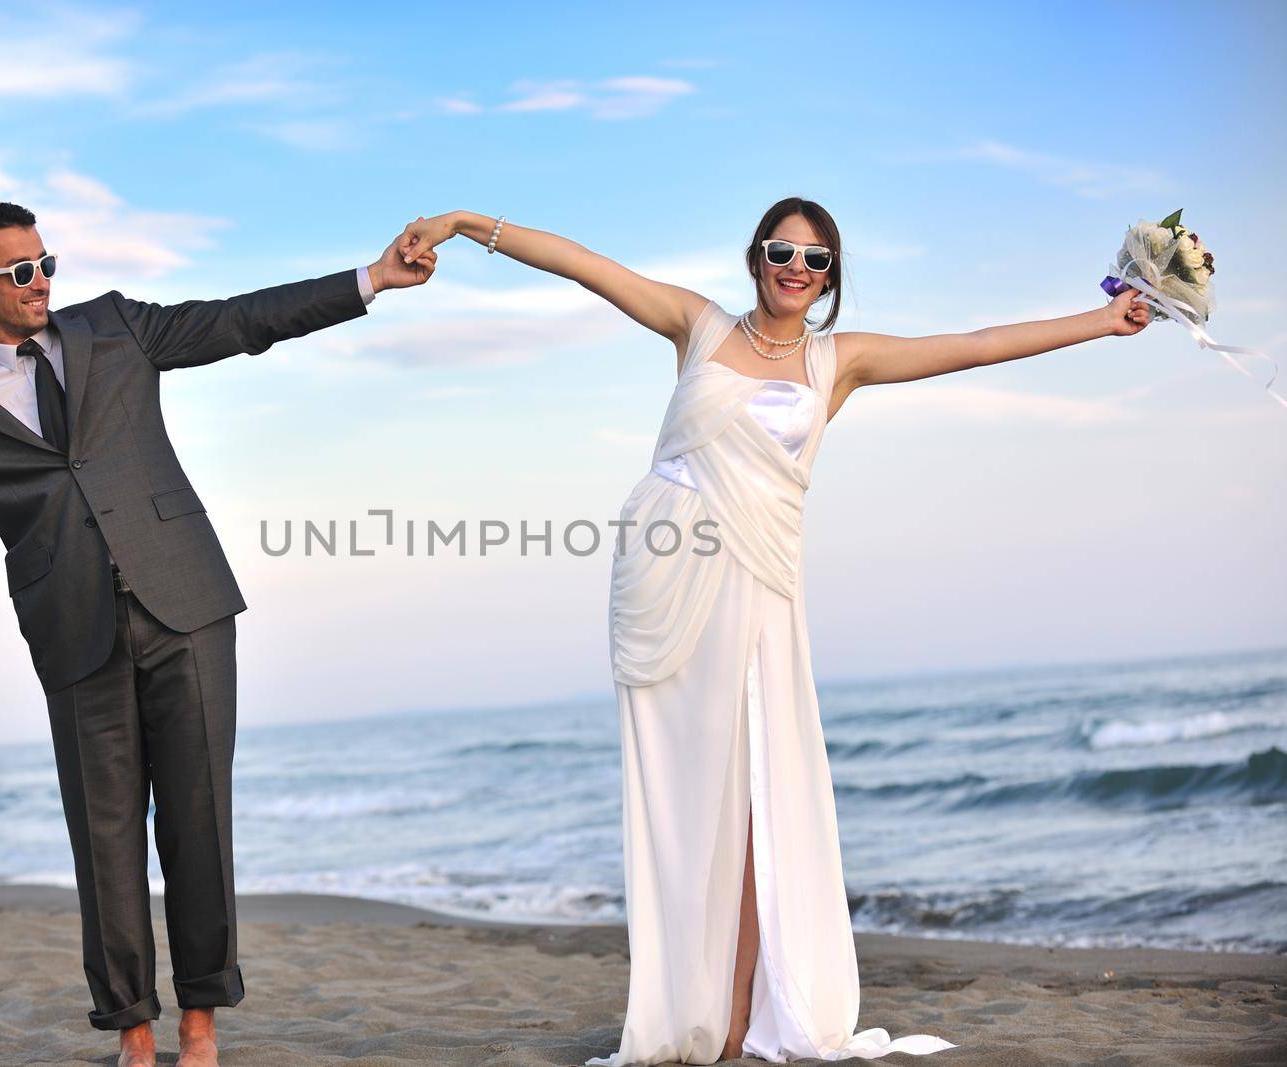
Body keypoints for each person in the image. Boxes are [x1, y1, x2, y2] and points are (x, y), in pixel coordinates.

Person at [397, 199, 1150, 1065]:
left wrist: (1101, 320)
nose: (798, 267)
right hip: (665, 579)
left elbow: (975, 346)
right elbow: (582, 264)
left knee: (754, 798)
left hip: (758, 587)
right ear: (756, 256)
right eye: (783, 250)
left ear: (831, 276)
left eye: (817, 258)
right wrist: (461, 224)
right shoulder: (695, 323)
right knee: (686, 798)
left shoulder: (841, 362)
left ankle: (737, 1009)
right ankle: (687, 998)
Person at [0, 202, 437, 1067]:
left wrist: (370, 281)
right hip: (74, 634)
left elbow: (241, 320)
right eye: (19, 271)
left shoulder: (115, 327)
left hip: (186, 603)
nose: (41, 282)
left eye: (45, 261)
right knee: (104, 844)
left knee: (198, 824)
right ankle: (135, 1034)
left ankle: (201, 1027)